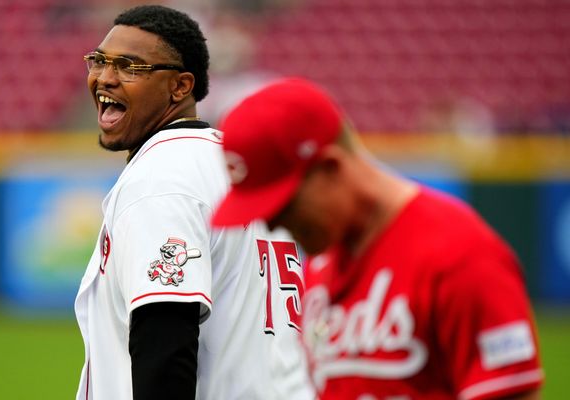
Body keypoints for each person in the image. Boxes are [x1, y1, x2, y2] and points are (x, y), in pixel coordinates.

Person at [211, 78, 544, 400]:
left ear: (331, 168)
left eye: (283, 206)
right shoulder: (320, 267)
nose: (271, 225)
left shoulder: (459, 253)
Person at [74, 6, 314, 400]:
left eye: (129, 66)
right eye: (99, 61)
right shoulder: (234, 167)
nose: (105, 77)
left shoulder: (163, 177)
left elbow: (166, 342)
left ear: (180, 87)